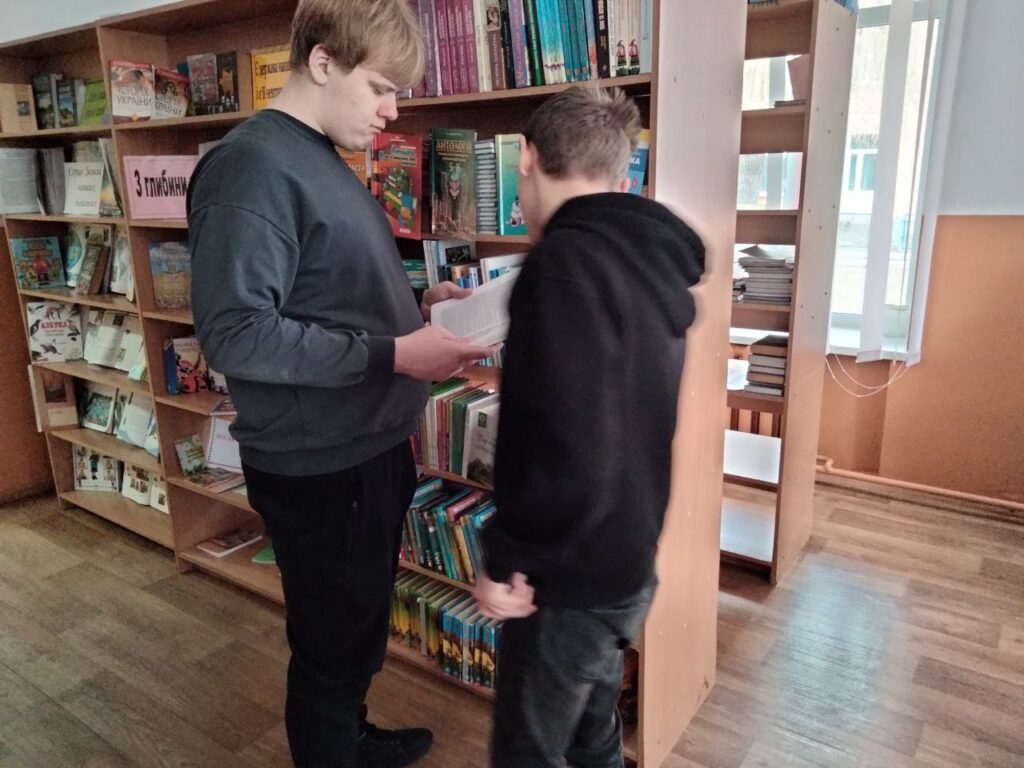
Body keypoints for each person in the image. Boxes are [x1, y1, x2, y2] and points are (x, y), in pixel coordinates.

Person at [186, 1, 490, 766]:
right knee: (331, 645)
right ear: (322, 62)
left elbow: (325, 291)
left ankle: (349, 738)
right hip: (322, 463)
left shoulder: (319, 154)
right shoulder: (251, 165)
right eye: (381, 88)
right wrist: (395, 354)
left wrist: (418, 306)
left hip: (366, 446)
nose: (393, 112)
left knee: (354, 630)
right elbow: (236, 332)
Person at [472, 86, 706, 768]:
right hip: (625, 561)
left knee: (529, 751)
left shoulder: (561, 265)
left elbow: (571, 452)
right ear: (618, 171)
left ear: (526, 158)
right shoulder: (640, 256)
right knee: (592, 735)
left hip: (565, 578)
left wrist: (509, 560)